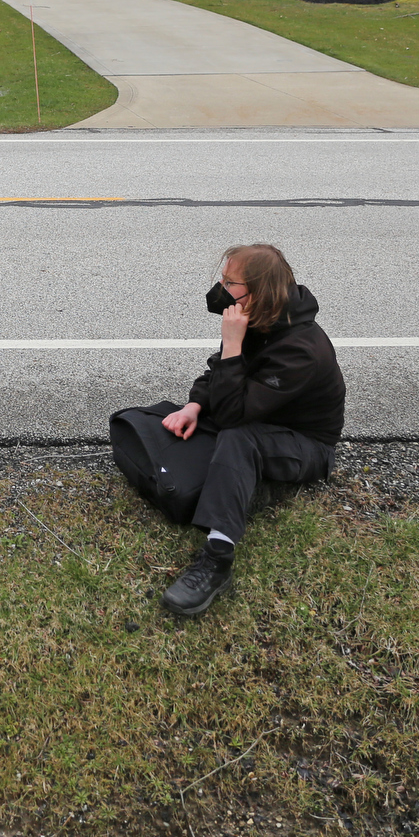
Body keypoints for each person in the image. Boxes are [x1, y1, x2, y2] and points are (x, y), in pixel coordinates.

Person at [110, 243, 344, 618]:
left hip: (304, 443)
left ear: (260, 292)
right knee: (159, 420)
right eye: (223, 277)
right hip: (258, 414)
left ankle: (217, 559)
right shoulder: (260, 316)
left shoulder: (302, 351)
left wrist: (234, 345)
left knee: (237, 438)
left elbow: (235, 415)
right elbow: (220, 371)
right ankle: (238, 479)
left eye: (230, 282)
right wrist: (194, 406)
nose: (221, 288)